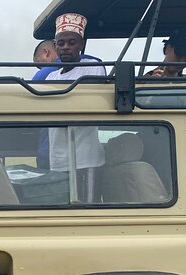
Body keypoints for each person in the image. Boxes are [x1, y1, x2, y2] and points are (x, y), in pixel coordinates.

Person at [47, 13, 106, 202]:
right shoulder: (51, 77)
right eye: (60, 43)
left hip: (85, 157)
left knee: (87, 210)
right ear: (55, 46)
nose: (65, 48)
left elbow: (88, 103)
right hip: (57, 157)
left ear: (81, 45)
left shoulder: (93, 68)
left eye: (71, 42)